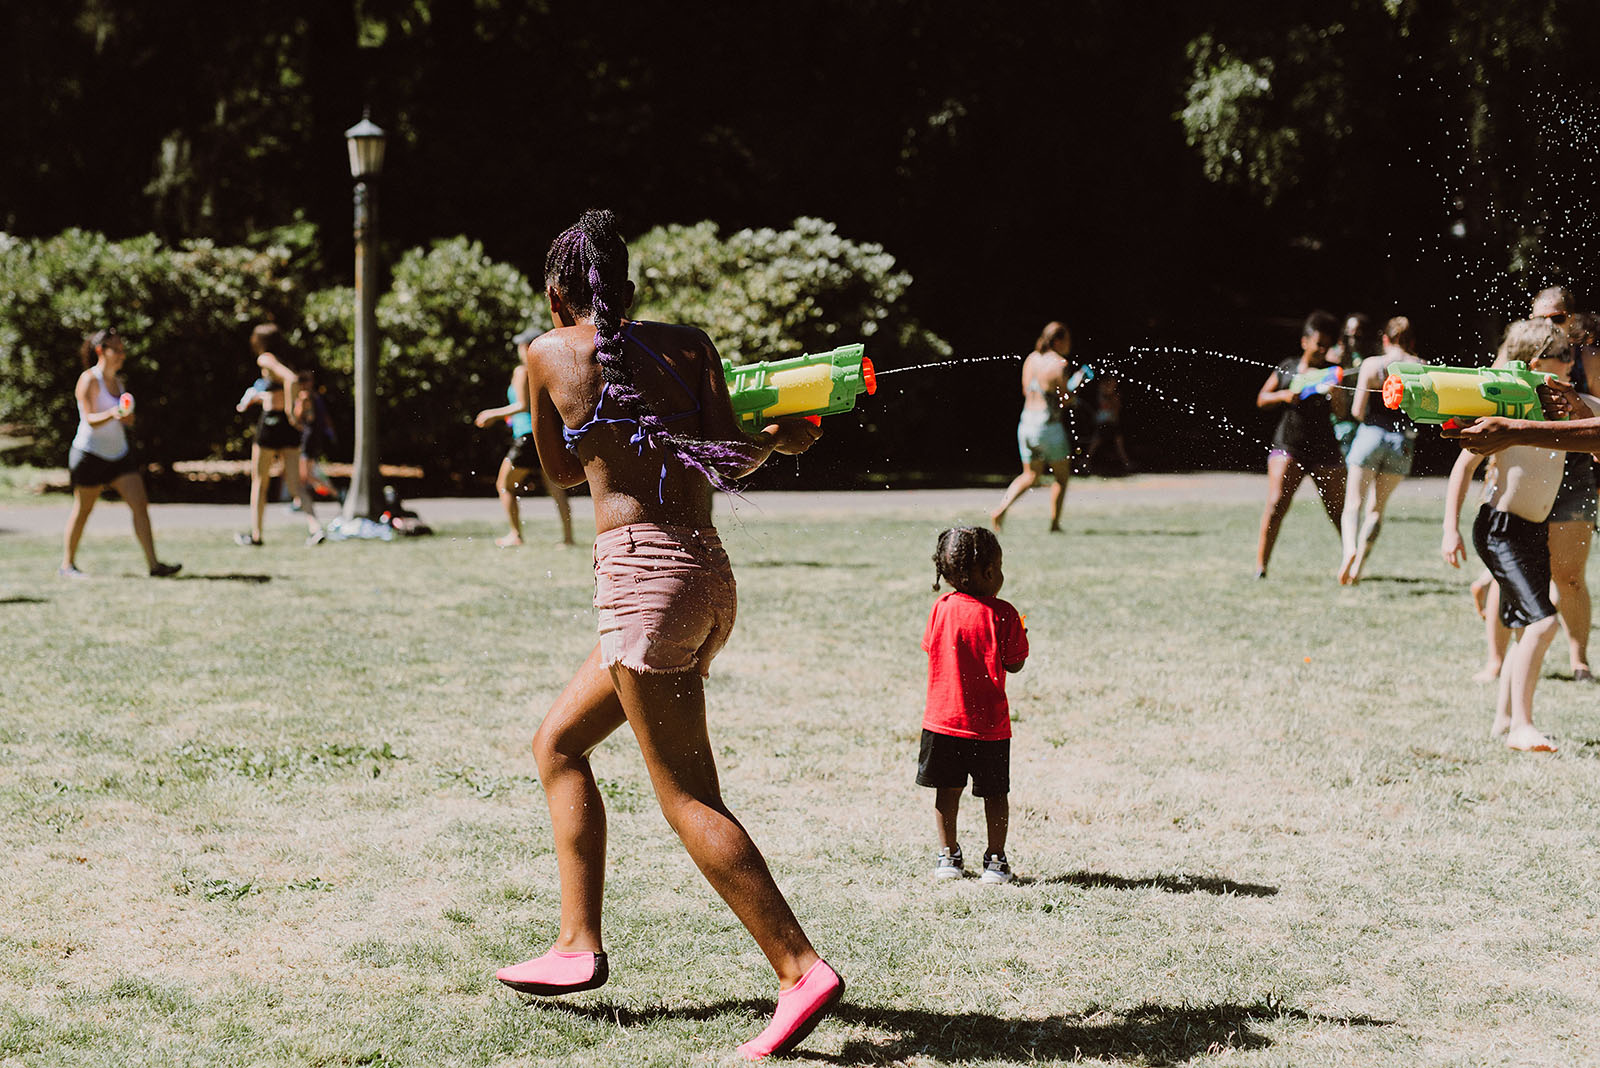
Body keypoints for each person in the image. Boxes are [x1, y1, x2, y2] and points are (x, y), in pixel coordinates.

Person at [492, 210, 841, 1061]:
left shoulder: (546, 354)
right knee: (559, 743)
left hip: (643, 585)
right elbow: (720, 457)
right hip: (707, 577)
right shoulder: (690, 344)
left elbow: (561, 473)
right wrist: (777, 442)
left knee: (687, 795)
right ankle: (577, 944)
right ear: (632, 287)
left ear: (555, 290)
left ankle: (799, 968)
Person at [1440, 319, 1590, 752]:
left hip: (1531, 530)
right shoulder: (1508, 407)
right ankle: (1523, 727)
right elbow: (1462, 467)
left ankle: (1505, 719)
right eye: (1564, 364)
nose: (1570, 372)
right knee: (1543, 623)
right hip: (1502, 529)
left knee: (1528, 628)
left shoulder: (1562, 408)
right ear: (1538, 363)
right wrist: (1450, 528)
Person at [919, 527, 1028, 884]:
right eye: (998, 566)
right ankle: (996, 861)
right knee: (995, 794)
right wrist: (1019, 634)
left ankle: (948, 856)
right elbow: (1014, 663)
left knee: (946, 792)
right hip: (989, 726)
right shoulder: (1005, 614)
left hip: (942, 721)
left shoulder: (941, 608)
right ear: (987, 573)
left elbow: (931, 648)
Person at [59, 328, 181, 579]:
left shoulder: (120, 383)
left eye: (123, 350)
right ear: (101, 351)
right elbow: (89, 419)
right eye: (117, 350)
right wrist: (113, 413)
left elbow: (126, 422)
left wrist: (127, 417)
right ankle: (67, 565)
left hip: (118, 455)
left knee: (140, 505)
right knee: (83, 510)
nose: (122, 355)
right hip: (90, 455)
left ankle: (154, 565)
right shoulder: (89, 379)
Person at [1254, 311, 1349, 578]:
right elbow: (1262, 399)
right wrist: (1286, 395)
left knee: (1338, 511)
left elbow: (1342, 414)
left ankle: (1352, 562)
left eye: (1326, 345)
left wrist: (1337, 394)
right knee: (1276, 503)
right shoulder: (1288, 367)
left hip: (1324, 449)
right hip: (1289, 446)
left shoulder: (1331, 375)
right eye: (1318, 343)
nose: (1322, 349)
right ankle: (1261, 567)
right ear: (1304, 341)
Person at [1338, 316, 1423, 584]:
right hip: (1403, 440)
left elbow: (1357, 410)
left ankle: (1349, 550)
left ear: (1385, 339)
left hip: (1370, 435)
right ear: (1411, 341)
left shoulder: (1372, 365)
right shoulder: (1420, 366)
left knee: (1353, 504)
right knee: (1377, 510)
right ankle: (1359, 567)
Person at [473, 328, 575, 548]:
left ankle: (515, 534)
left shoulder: (523, 371)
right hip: (544, 435)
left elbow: (522, 405)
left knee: (504, 485)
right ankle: (568, 538)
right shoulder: (547, 370)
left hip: (526, 437)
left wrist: (493, 414)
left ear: (529, 346)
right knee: (556, 488)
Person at [233, 324, 323, 547]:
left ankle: (256, 535)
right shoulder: (286, 358)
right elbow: (280, 388)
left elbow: (291, 379)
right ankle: (316, 528)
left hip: (273, 423)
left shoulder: (266, 359)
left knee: (259, 480)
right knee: (295, 484)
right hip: (288, 427)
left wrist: (290, 411)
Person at [991, 321, 1076, 532]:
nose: (1069, 345)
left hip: (1027, 423)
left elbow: (1025, 390)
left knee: (1030, 475)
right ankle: (1055, 524)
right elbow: (1065, 399)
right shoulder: (1060, 364)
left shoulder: (1031, 359)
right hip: (1048, 427)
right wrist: (1075, 391)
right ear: (1058, 340)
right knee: (1061, 477)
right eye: (1067, 340)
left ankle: (1001, 510)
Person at [1328, 312, 1380, 457]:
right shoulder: (1335, 352)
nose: (1352, 338)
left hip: (1362, 411)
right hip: (1340, 413)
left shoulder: (1370, 354)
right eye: (1349, 333)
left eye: (1357, 334)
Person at [293, 369, 339, 505]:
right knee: (306, 473)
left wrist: (298, 403)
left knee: (305, 474)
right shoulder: (317, 396)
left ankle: (334, 492)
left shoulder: (305, 396)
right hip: (315, 438)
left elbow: (298, 416)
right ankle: (299, 501)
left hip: (308, 439)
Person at [1084, 372, 1133, 476]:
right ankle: (1086, 462)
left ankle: (1126, 463)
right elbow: (1106, 404)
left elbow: (1117, 408)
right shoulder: (1103, 391)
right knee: (1097, 441)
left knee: (1117, 441)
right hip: (1104, 420)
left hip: (1112, 421)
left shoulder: (1114, 393)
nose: (1114, 384)